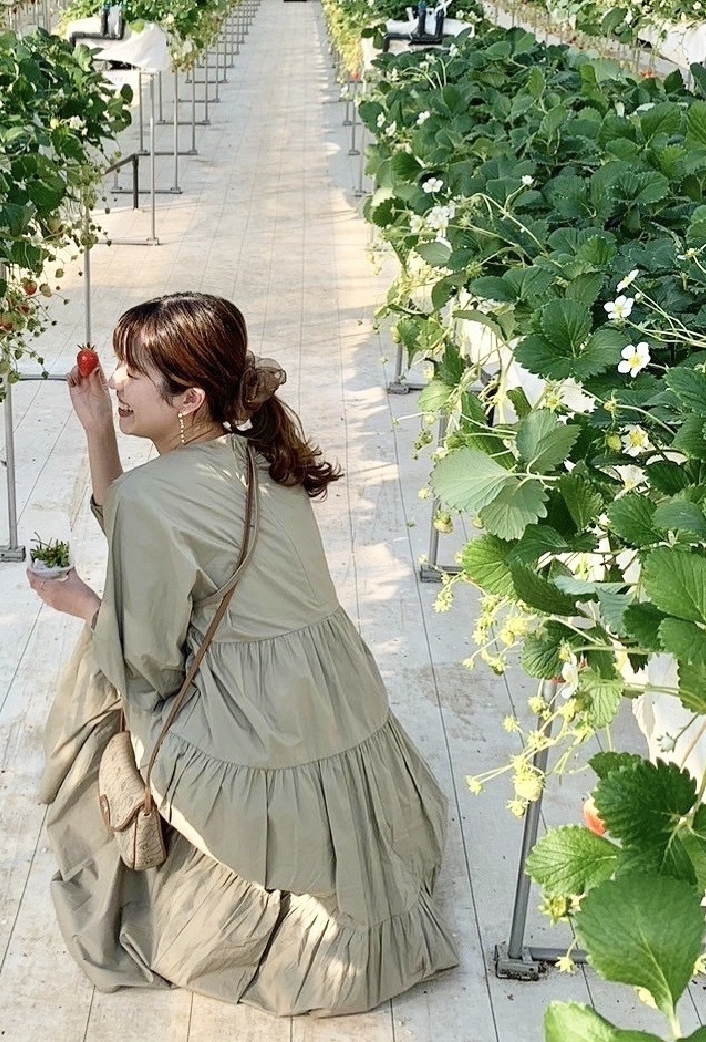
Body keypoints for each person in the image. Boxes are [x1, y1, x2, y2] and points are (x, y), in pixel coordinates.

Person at [29, 292, 458, 1017]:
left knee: (98, 675)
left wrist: (80, 602)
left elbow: (147, 660)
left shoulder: (154, 496)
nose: (115, 386)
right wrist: (100, 432)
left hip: (253, 721)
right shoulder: (255, 451)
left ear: (190, 397)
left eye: (133, 375)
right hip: (330, 693)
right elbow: (145, 532)